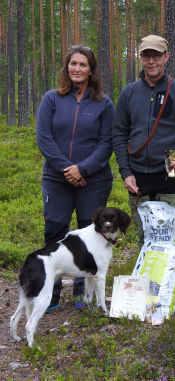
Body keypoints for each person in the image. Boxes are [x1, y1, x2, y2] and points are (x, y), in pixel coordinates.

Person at [36, 45, 114, 311]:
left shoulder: (103, 103)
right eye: (73, 64)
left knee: (89, 232)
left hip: (94, 180)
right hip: (56, 179)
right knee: (55, 231)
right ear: (66, 68)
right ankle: (52, 293)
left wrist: (83, 169)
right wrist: (67, 169)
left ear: (91, 70)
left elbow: (107, 143)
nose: (77, 69)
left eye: (82, 65)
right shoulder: (51, 99)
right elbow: (44, 138)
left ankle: (83, 293)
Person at [113, 34, 175, 243]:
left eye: (156, 56)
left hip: (170, 172)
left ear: (166, 57)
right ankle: (147, 275)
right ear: (140, 58)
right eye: (146, 56)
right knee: (145, 235)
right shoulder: (129, 93)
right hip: (138, 176)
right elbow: (119, 134)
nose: (151, 61)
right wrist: (126, 173)